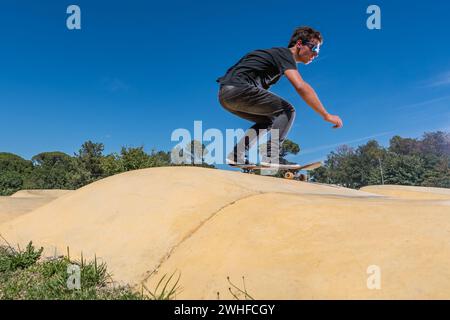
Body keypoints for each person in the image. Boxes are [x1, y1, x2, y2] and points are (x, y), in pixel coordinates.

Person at [217, 26, 343, 166]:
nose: (316, 54)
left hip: (226, 95)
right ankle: (272, 156)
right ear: (299, 44)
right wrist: (326, 115)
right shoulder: (285, 54)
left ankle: (236, 155)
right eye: (314, 48)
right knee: (286, 111)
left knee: (268, 121)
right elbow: (300, 86)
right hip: (238, 89)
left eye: (318, 51)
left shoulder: (276, 57)